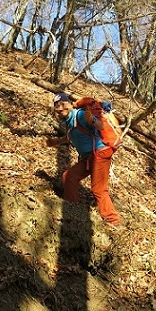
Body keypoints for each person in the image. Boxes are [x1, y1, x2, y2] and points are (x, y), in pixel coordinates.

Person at [46, 92, 121, 226]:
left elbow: (100, 126)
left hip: (100, 154)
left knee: (99, 189)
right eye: (57, 106)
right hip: (88, 158)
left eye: (63, 104)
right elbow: (70, 136)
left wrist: (92, 120)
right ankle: (72, 209)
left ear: (69, 104)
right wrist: (56, 142)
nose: (60, 108)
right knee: (69, 177)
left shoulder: (80, 114)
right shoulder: (69, 122)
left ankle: (113, 220)